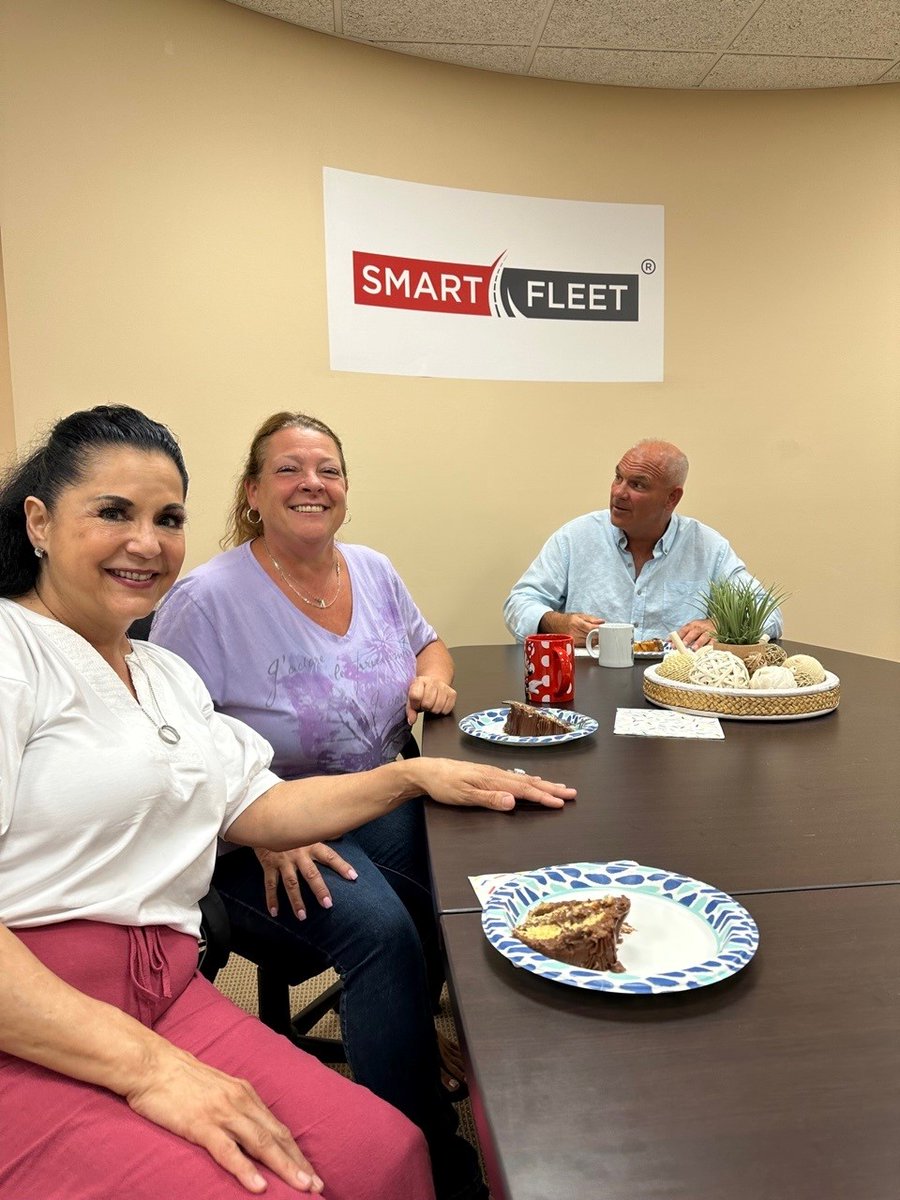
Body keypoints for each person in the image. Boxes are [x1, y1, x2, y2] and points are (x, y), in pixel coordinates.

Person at [0, 405, 574, 1200]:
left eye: (168, 519)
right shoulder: (14, 655)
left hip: (163, 981)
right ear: (39, 521)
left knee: (387, 1155)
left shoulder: (161, 674)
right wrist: (152, 1069)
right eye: (113, 512)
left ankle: (464, 1065)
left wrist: (415, 778)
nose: (147, 542)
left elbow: (259, 801)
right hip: (39, 1007)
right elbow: (255, 829)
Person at [148, 411, 485, 1200]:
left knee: (469, 857)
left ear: (345, 488)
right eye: (289, 469)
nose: (312, 483)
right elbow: (167, 744)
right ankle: (425, 1153)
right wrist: (261, 817)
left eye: (327, 469)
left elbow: (429, 642)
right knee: (382, 932)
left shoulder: (372, 569)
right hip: (252, 834)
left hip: (368, 792)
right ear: (253, 492)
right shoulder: (206, 600)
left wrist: (432, 676)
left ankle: (415, 1038)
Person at [503, 438, 783, 650]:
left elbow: (769, 613)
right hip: (588, 685)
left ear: (672, 498)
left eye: (637, 485)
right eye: (618, 477)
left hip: (676, 689)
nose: (618, 492)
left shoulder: (707, 547)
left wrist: (719, 625)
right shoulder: (576, 537)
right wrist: (557, 623)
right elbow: (519, 603)